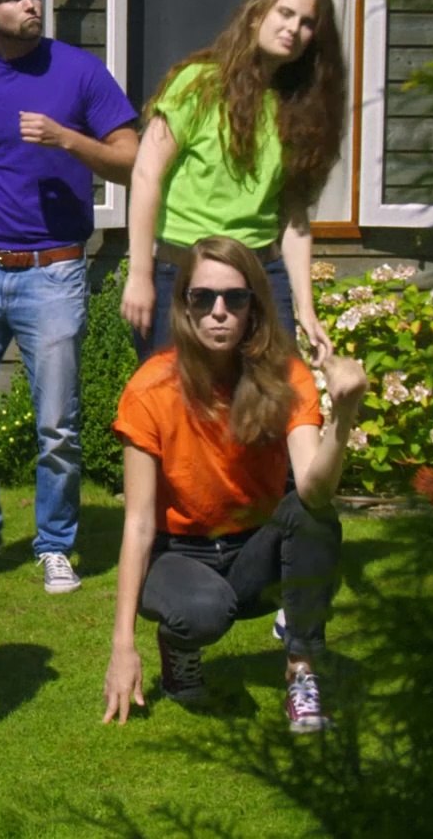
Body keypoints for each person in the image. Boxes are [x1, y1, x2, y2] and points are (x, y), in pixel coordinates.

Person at [0, 0, 139, 595]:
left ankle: (55, 544)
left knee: (56, 427)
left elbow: (130, 158)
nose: (30, 3)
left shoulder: (79, 72)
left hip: (54, 272)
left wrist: (68, 139)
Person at [101, 236, 366, 733]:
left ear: (254, 307)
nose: (218, 312)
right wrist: (123, 646)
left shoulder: (285, 376)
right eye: (203, 298)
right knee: (204, 611)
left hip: (252, 549)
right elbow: (136, 524)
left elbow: (314, 492)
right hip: (178, 553)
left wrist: (344, 415)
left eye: (235, 298)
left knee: (312, 517)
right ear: (185, 306)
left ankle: (301, 672)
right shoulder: (150, 388)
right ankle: (178, 650)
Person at [120, 0, 349, 365]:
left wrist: (306, 309)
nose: (293, 28)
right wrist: (140, 274)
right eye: (285, 13)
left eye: (307, 23)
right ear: (257, 15)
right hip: (182, 272)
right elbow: (146, 174)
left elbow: (293, 217)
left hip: (259, 275)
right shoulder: (198, 84)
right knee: (170, 395)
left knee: (272, 395)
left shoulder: (300, 110)